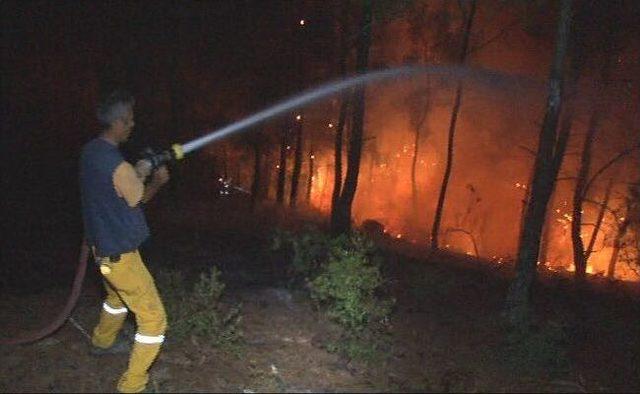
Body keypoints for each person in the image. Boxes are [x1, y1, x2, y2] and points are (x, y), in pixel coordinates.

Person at [79, 89, 169, 393]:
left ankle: (102, 342)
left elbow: (116, 192)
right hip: (120, 255)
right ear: (116, 122)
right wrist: (151, 177)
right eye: (128, 121)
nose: (132, 125)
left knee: (117, 299)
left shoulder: (91, 151)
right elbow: (137, 197)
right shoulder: (118, 166)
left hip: (102, 251)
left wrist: (136, 173)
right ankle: (132, 385)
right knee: (154, 320)